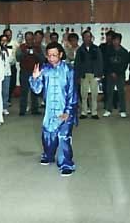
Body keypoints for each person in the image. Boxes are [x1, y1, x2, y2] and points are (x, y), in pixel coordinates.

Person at [30, 42, 78, 177]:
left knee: (63, 136)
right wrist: (35, 78)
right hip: (50, 111)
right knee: (48, 136)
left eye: (54, 55)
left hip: (65, 110)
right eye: (49, 55)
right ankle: (48, 154)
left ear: (61, 55)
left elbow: (72, 92)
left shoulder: (69, 70)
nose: (51, 58)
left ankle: (66, 164)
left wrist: (68, 112)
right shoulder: (44, 69)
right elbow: (37, 90)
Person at [74, 31, 103, 119]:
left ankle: (94, 112)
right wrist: (78, 76)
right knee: (84, 94)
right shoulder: (80, 50)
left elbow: (100, 61)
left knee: (94, 94)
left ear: (91, 38)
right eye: (85, 37)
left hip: (94, 74)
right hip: (84, 74)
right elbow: (77, 63)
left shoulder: (96, 48)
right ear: (83, 38)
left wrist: (100, 74)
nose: (87, 38)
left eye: (88, 37)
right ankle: (84, 112)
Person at [16, 31, 45, 116]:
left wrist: (35, 53)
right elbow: (18, 58)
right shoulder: (21, 47)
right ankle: (22, 110)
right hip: (24, 71)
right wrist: (25, 53)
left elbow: (42, 59)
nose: (29, 41)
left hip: (34, 72)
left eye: (31, 39)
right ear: (25, 39)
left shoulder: (37, 47)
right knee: (24, 92)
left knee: (34, 91)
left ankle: (34, 109)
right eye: (27, 39)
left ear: (33, 39)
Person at [103, 33, 129, 118]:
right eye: (114, 40)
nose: (115, 42)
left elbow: (125, 65)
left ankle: (122, 110)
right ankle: (108, 110)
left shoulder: (124, 51)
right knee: (109, 92)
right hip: (110, 74)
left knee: (121, 92)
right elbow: (106, 63)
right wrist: (111, 72)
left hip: (120, 75)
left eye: (117, 40)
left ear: (120, 41)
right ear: (112, 41)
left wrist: (117, 73)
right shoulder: (108, 51)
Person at [0, 34, 14, 115]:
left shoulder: (9, 50)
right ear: (0, 41)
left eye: (5, 40)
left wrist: (7, 52)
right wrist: (0, 51)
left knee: (5, 91)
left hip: (6, 73)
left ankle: (4, 107)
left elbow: (11, 61)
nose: (4, 42)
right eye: (2, 40)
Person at [3, 28, 20, 104]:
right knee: (5, 84)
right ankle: (6, 100)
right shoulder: (0, 44)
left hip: (12, 66)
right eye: (7, 35)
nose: (8, 36)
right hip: (4, 67)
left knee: (12, 83)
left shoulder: (15, 44)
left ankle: (8, 97)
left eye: (10, 35)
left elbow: (19, 53)